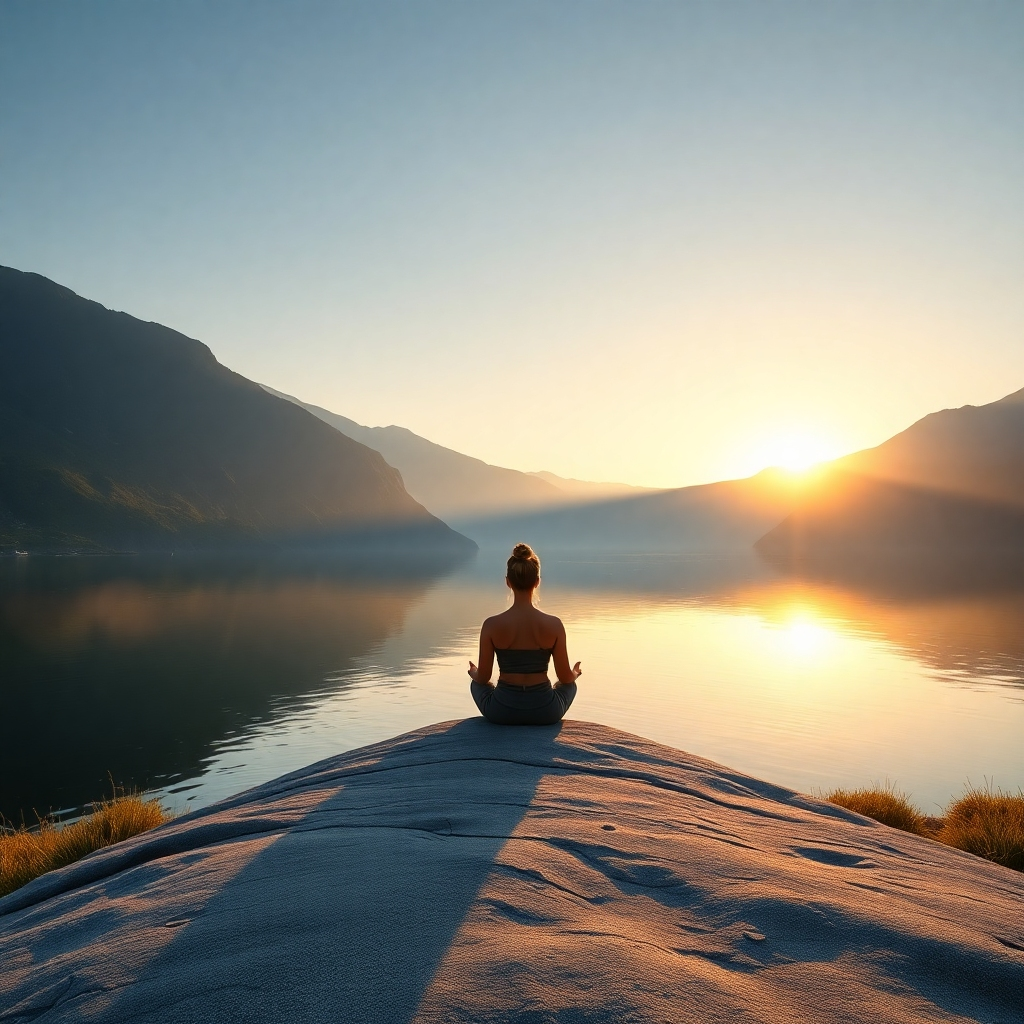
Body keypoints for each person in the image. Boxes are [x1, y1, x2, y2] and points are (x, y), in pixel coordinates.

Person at [468, 543, 582, 725]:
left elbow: (483, 678)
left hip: (502, 711)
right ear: (537, 582)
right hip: (545, 711)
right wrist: (575, 673)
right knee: (570, 687)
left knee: (476, 686)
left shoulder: (491, 625)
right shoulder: (554, 625)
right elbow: (564, 678)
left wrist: (474, 673)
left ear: (508, 582)